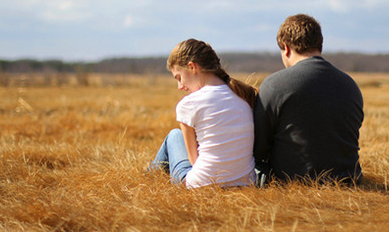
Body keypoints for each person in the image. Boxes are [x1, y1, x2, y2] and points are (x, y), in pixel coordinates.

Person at [254, 14, 364, 185]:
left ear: (286, 48)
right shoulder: (350, 85)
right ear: (320, 45)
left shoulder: (275, 84)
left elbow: (258, 148)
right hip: (348, 179)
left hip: (292, 182)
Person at [149, 38, 258, 189]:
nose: (180, 86)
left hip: (202, 185)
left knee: (174, 136)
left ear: (192, 67)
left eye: (179, 78)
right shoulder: (242, 97)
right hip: (246, 183)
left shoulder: (188, 104)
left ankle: (147, 178)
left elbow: (194, 161)